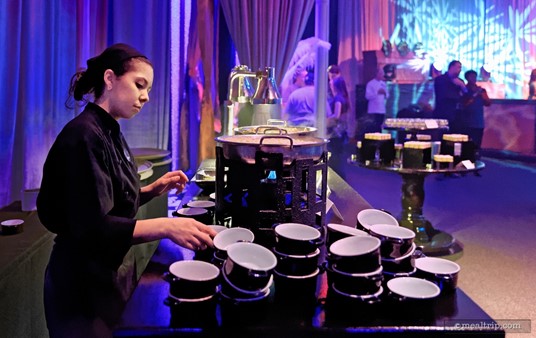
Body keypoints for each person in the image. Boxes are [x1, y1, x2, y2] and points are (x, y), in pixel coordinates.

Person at [36, 43, 217, 338]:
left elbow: (108, 200)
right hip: (79, 284)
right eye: (139, 85)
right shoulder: (83, 135)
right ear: (110, 79)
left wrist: (152, 189)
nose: (145, 96)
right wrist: (167, 226)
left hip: (105, 276)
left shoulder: (110, 129)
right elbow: (94, 226)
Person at [459, 69, 491, 158]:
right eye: (471, 77)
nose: (473, 79)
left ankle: (476, 160)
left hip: (479, 121)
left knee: (477, 143)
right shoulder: (464, 89)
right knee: (467, 143)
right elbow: (464, 104)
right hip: (467, 122)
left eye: (475, 77)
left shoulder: (481, 90)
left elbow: (488, 103)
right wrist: (475, 94)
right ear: (467, 78)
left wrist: (482, 94)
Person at [433, 60, 467, 132]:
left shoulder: (460, 81)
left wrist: (462, 86)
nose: (460, 70)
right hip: (443, 114)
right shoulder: (440, 79)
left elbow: (466, 95)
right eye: (458, 67)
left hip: (457, 115)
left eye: (460, 68)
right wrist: (458, 96)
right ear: (451, 67)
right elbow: (444, 95)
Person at [327, 76, 350, 178]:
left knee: (335, 154)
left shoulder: (337, 98)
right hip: (342, 129)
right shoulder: (345, 97)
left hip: (336, 130)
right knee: (339, 153)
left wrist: (326, 118)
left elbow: (336, 115)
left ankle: (337, 176)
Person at [364, 67, 389, 134]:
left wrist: (385, 93)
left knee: (379, 126)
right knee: (373, 127)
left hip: (381, 109)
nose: (382, 75)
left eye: (382, 73)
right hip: (373, 109)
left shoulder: (383, 84)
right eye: (380, 73)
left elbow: (387, 95)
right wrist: (377, 93)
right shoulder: (370, 84)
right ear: (377, 74)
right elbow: (367, 96)